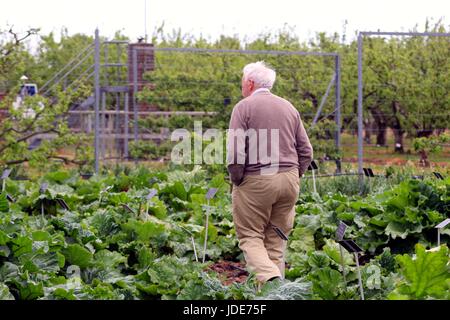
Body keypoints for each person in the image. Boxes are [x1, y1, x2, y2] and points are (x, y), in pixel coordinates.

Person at [226, 61, 313, 284]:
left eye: (242, 82)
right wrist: (294, 175)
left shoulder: (243, 108)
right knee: (275, 241)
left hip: (257, 180)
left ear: (250, 83)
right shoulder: (288, 107)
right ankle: (276, 294)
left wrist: (238, 181)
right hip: (289, 180)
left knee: (250, 236)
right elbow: (306, 151)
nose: (241, 86)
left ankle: (271, 279)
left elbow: (235, 154)